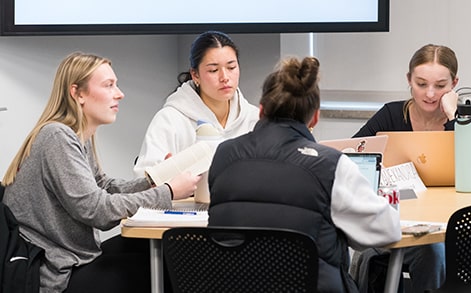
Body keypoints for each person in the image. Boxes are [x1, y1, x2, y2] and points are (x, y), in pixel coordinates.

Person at [1, 52, 200, 293]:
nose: (119, 93)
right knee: (168, 267)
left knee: (161, 250)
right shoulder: (57, 137)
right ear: (78, 93)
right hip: (54, 274)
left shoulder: (76, 137)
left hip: (72, 259)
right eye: (109, 85)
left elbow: (103, 186)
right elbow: (97, 210)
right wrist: (167, 192)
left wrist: (155, 180)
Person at [207, 56, 402, 292]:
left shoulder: (224, 156)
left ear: (261, 111)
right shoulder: (331, 166)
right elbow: (386, 230)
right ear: (315, 117)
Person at [352, 44, 458, 293]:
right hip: (397, 221)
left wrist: (454, 116)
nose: (430, 94)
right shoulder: (390, 115)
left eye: (440, 86)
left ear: (454, 84)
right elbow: (352, 154)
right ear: (409, 80)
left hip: (445, 225)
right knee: (424, 252)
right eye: (421, 84)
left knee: (435, 251)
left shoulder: (463, 120)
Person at [133, 30, 259, 177]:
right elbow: (143, 179)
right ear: (195, 75)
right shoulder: (170, 119)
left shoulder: (254, 118)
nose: (225, 77)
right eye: (213, 70)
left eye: (231, 68)